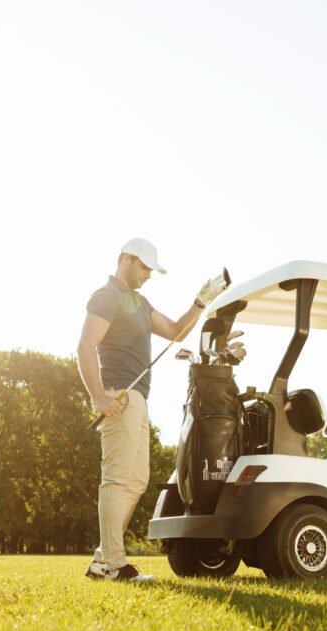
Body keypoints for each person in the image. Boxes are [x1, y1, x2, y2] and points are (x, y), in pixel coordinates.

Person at [77, 238, 226, 582]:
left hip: (138, 400)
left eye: (151, 270)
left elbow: (175, 332)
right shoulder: (107, 296)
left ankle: (103, 559)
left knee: (137, 480)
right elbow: (85, 346)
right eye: (143, 266)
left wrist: (201, 302)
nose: (147, 274)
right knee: (116, 479)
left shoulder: (140, 303)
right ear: (124, 259)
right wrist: (98, 396)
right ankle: (114, 563)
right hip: (119, 397)